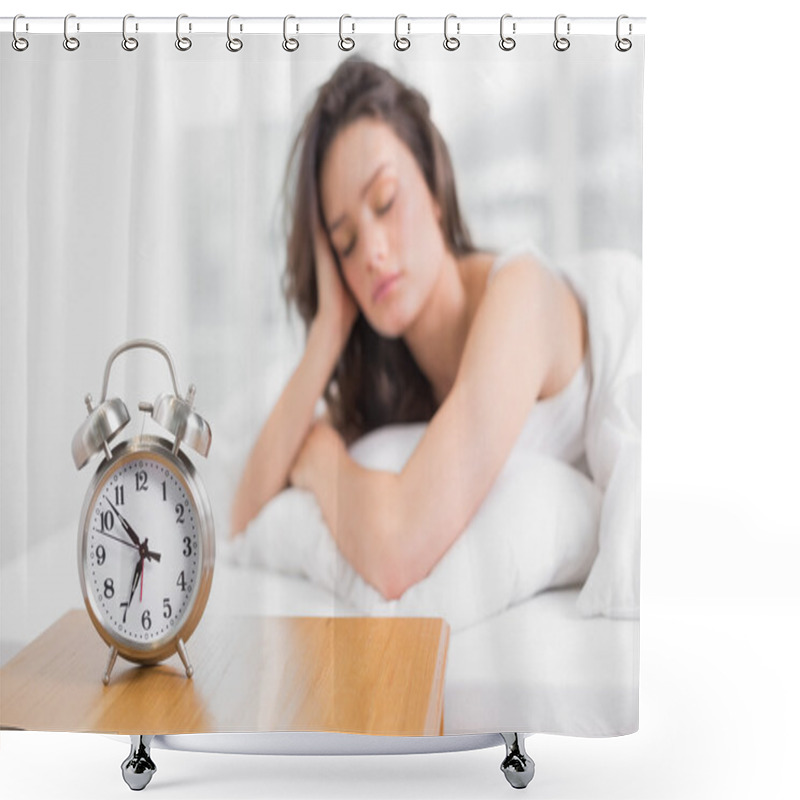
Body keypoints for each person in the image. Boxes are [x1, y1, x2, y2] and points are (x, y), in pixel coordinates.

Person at [230, 56, 588, 601]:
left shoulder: (521, 296)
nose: (371, 253)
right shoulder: (395, 372)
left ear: (435, 187)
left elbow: (396, 550)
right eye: (345, 242)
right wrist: (328, 332)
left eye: (385, 202)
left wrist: (321, 457)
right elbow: (241, 514)